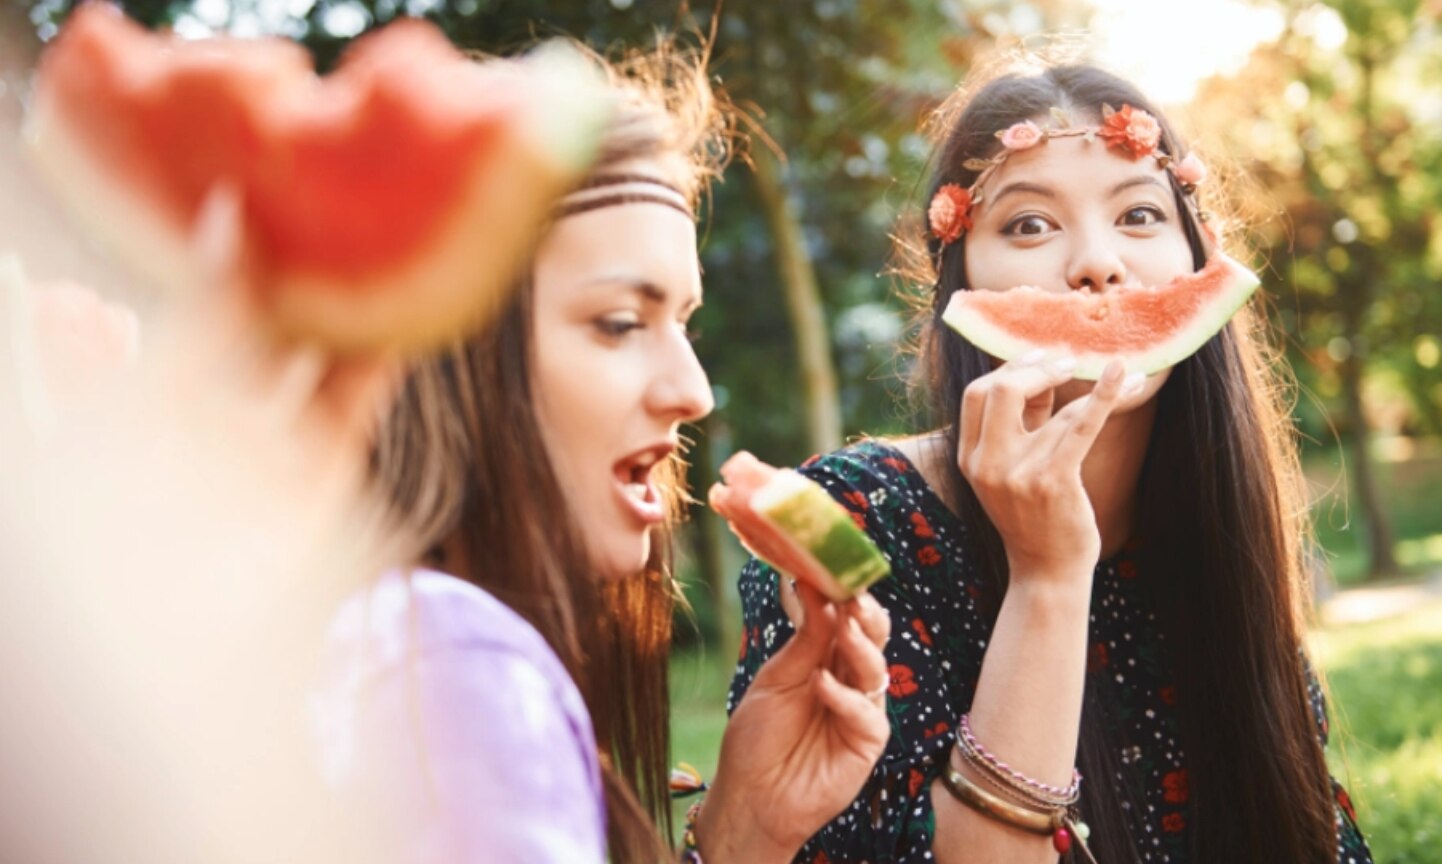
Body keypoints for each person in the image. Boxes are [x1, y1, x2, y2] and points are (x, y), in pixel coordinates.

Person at [728, 61, 1373, 864]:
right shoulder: (848, 524)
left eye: (1140, 214)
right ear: (959, 279)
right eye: (1029, 225)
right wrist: (1046, 576)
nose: (1097, 266)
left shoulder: (1215, 524)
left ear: (1199, 258)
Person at [314, 41, 894, 864]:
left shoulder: (384, 645)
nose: (693, 390)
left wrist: (740, 834)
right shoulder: (449, 660)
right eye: (621, 321)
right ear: (441, 348)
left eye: (682, 321)